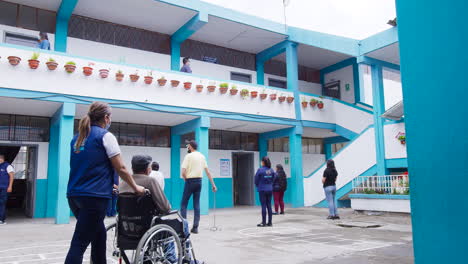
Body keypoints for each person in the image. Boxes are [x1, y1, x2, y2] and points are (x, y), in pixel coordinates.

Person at [65, 101, 145, 264]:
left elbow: (89, 165)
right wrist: (135, 187)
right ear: (106, 118)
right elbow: (121, 167)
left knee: (99, 236)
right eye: (110, 118)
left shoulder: (77, 139)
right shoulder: (105, 136)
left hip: (74, 196)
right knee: (79, 243)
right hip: (94, 197)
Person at [120, 155, 202, 264]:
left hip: (126, 229)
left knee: (163, 226)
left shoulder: (124, 182)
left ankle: (154, 256)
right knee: (183, 223)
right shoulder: (150, 181)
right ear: (147, 169)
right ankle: (183, 258)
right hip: (147, 227)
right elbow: (166, 207)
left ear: (133, 168)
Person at [180, 140, 217, 234]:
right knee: (196, 204)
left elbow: (183, 172)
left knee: (184, 204)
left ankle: (184, 227)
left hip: (190, 181)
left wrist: (186, 179)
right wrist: (213, 185)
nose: (187, 147)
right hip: (199, 181)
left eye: (188, 146)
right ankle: (195, 228)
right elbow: (208, 172)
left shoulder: (188, 156)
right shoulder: (202, 156)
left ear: (191, 147)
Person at [255, 157, 276, 227]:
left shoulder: (260, 170)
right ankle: (270, 222)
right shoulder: (272, 170)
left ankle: (264, 222)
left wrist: (258, 185)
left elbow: (256, 180)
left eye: (261, 161)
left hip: (262, 189)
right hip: (270, 189)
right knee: (269, 205)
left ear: (263, 162)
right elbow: (274, 178)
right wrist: (270, 184)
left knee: (263, 205)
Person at [0, 154, 14, 225]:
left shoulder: (8, 166)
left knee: (2, 203)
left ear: (1, 159)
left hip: (4, 188)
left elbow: (11, 176)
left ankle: (2, 220)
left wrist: (10, 186)